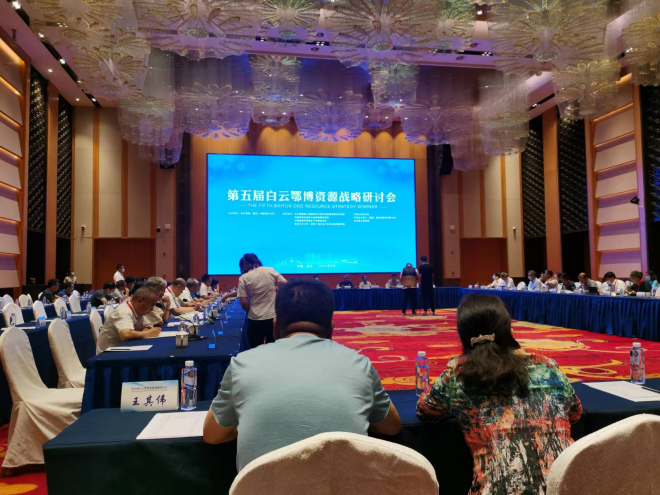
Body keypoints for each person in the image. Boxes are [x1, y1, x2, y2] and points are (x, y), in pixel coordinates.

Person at [203, 279, 401, 471]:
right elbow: (391, 426)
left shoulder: (242, 364)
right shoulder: (360, 365)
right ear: (331, 329)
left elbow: (213, 435)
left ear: (275, 327)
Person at [417, 294, 582, 494]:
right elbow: (575, 413)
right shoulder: (547, 366)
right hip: (567, 488)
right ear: (509, 330)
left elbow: (426, 410)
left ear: (462, 336)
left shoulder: (457, 376)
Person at [238, 253, 287, 349]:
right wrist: (276, 294)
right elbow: (285, 284)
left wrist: (249, 310)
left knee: (255, 348)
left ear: (243, 266)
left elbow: (243, 302)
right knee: (273, 347)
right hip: (272, 316)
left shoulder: (244, 278)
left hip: (254, 319)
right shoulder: (270, 271)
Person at [96, 286, 162, 353]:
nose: (152, 309)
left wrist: (147, 328)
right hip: (108, 354)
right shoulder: (124, 311)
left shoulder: (137, 310)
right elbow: (126, 335)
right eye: (152, 305)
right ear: (140, 300)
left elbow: (148, 324)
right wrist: (148, 333)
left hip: (122, 349)